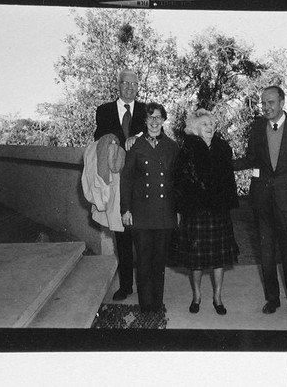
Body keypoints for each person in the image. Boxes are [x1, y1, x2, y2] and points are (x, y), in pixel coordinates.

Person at [233, 86, 287, 317]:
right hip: (262, 201)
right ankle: (272, 299)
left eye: (271, 103)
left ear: (282, 102)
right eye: (263, 103)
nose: (266, 107)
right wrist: (221, 162)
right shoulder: (257, 127)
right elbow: (251, 158)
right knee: (266, 253)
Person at [173, 109, 239, 315]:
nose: (209, 127)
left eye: (211, 124)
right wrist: (184, 207)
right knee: (197, 258)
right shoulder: (187, 150)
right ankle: (197, 296)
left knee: (218, 258)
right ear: (194, 129)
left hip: (218, 212)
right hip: (196, 213)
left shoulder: (223, 148)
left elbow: (229, 180)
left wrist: (225, 201)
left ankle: (218, 297)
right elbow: (180, 183)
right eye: (204, 124)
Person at [120, 102, 179, 312]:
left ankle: (157, 301)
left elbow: (177, 181)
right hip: (141, 211)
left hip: (164, 211)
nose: (154, 122)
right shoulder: (135, 145)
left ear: (164, 120)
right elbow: (126, 178)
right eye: (150, 118)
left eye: (158, 117)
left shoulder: (172, 147)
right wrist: (125, 209)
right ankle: (146, 305)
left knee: (158, 260)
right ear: (145, 121)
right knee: (143, 260)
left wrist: (178, 211)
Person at [94, 68, 147, 301]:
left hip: (141, 181)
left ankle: (146, 286)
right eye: (125, 83)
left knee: (143, 236)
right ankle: (125, 286)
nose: (129, 87)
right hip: (116, 182)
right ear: (119, 85)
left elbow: (157, 134)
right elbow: (98, 138)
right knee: (122, 236)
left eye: (134, 84)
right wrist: (116, 139)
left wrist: (140, 136)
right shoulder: (104, 110)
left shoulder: (147, 110)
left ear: (138, 87)